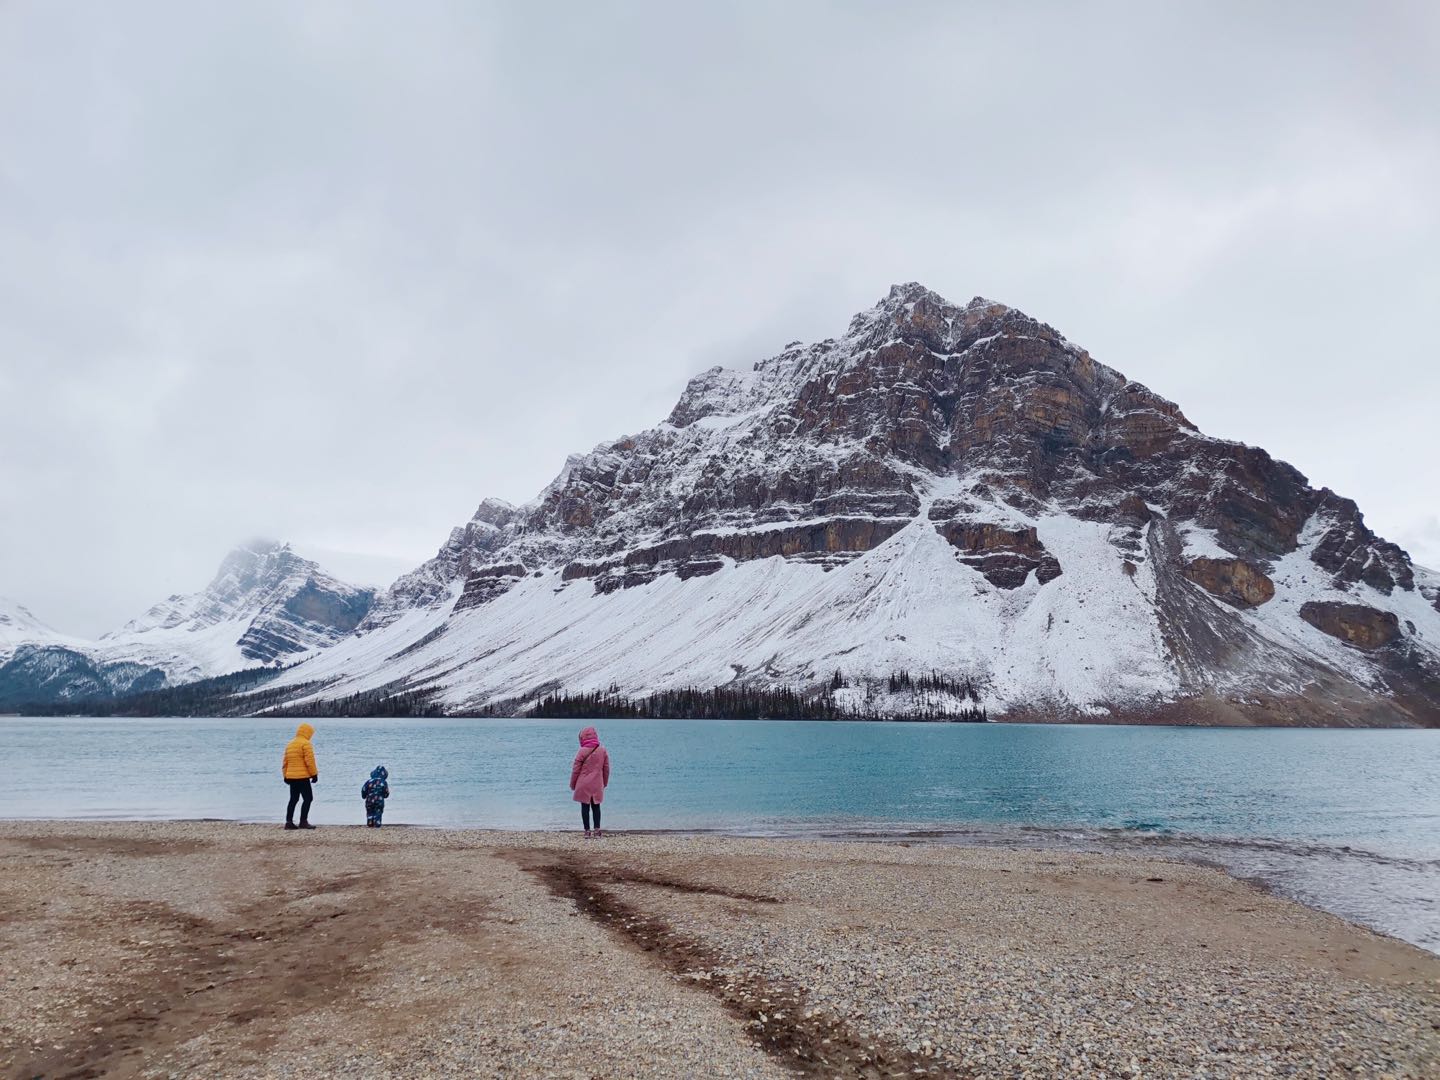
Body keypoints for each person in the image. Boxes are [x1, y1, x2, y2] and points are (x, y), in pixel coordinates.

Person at [569, 725, 610, 838]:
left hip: (583, 783)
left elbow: (575, 770)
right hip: (597, 783)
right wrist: (604, 783)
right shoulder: (602, 750)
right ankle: (597, 830)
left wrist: (573, 784)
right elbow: (606, 769)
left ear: (582, 738)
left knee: (585, 807)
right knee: (596, 807)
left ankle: (587, 831)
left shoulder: (581, 751)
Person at [282, 722, 319, 830]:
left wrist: (285, 775)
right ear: (308, 733)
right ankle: (303, 821)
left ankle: (288, 822)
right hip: (302, 777)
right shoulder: (306, 744)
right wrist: (314, 774)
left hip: (291, 777)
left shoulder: (290, 744)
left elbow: (285, 762)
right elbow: (309, 761)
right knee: (308, 798)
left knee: (293, 799)